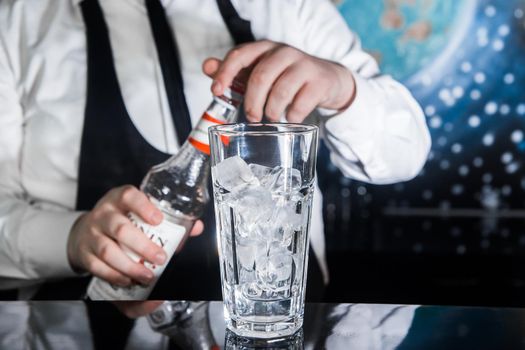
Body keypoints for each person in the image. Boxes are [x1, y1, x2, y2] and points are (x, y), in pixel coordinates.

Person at [0, 0, 431, 304]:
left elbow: (406, 153)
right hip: (72, 331)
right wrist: (72, 239)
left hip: (281, 332)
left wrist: (341, 88)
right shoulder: (18, 21)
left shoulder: (291, 8)